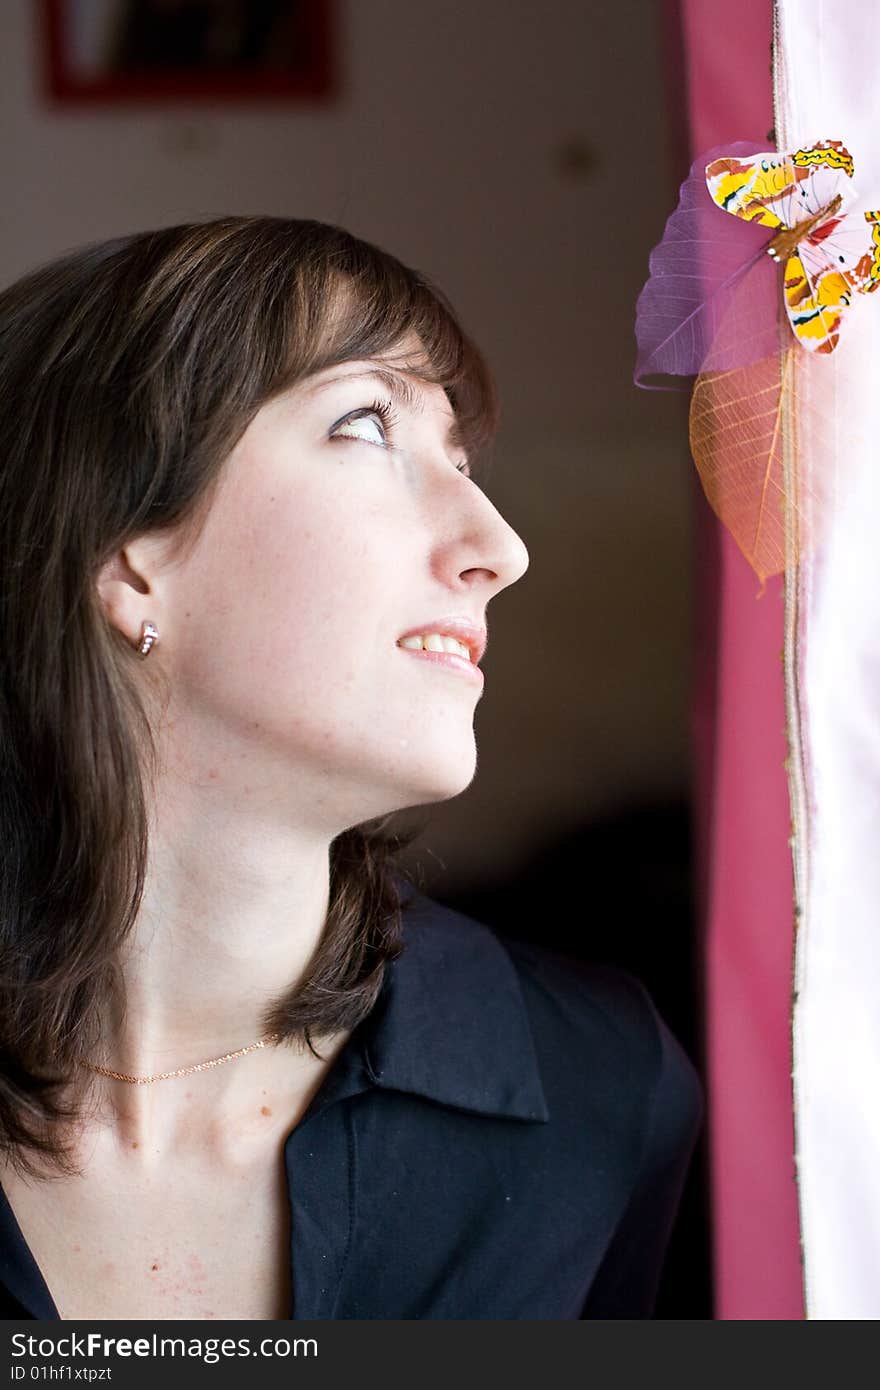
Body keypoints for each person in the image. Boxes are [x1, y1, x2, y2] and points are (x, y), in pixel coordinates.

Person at [0, 216, 702, 1321]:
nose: (500, 548)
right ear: (131, 561)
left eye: (462, 460)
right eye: (369, 422)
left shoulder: (608, 1092)